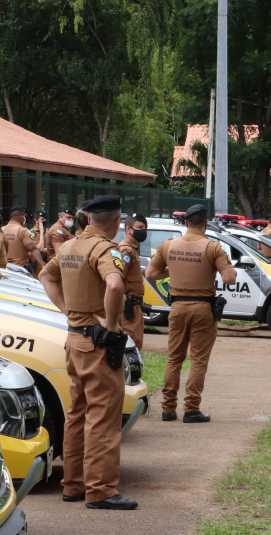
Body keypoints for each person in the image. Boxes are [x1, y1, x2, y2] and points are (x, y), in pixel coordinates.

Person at [38, 194, 138, 511]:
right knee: (103, 417)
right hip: (97, 344)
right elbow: (114, 285)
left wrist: (68, 311)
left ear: (90, 219)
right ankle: (100, 490)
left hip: (75, 340)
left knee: (77, 414)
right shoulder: (105, 249)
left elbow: (45, 276)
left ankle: (73, 484)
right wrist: (111, 322)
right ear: (116, 221)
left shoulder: (69, 246)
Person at [145, 204, 237, 424]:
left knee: (174, 358)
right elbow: (229, 278)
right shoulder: (213, 247)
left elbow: (150, 273)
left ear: (186, 222)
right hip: (203, 309)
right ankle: (191, 409)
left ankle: (168, 409)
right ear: (206, 223)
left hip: (177, 308)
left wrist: (174, 269)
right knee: (198, 360)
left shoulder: (168, 246)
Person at [119, 213, 148, 349]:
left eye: (145, 227)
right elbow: (119, 276)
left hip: (135, 307)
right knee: (131, 345)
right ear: (128, 229)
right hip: (129, 308)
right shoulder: (126, 250)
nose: (143, 230)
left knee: (136, 343)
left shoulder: (132, 249)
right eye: (140, 227)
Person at [3, 204, 45, 277]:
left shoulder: (1, 230)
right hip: (19, 270)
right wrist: (43, 264)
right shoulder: (22, 231)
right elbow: (33, 249)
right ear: (21, 217)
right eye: (24, 216)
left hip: (4, 269)